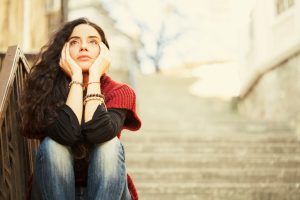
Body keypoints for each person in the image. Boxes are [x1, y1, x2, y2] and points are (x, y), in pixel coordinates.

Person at [20, 17, 141, 200]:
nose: (83, 47)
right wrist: (76, 79)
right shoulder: (46, 90)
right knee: (54, 146)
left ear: (104, 53)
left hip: (108, 191)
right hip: (54, 190)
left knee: (110, 145)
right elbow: (66, 135)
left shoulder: (120, 92)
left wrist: (93, 77)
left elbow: (99, 133)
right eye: (74, 42)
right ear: (63, 51)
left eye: (93, 42)